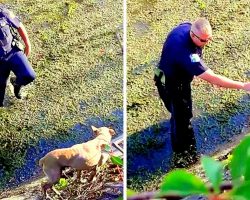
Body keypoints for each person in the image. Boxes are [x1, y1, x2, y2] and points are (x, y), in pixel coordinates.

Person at [154, 18, 250, 164]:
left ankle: (175, 115)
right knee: (182, 119)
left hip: (161, 73)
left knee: (174, 109)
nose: (207, 43)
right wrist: (243, 86)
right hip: (173, 84)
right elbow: (213, 78)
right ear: (193, 35)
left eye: (209, 39)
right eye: (204, 41)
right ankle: (183, 154)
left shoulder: (185, 27)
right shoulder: (187, 54)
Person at [0, 5, 35, 107]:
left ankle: (16, 83)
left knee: (29, 75)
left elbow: (19, 25)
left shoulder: (3, 11)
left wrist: (27, 43)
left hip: (13, 52)